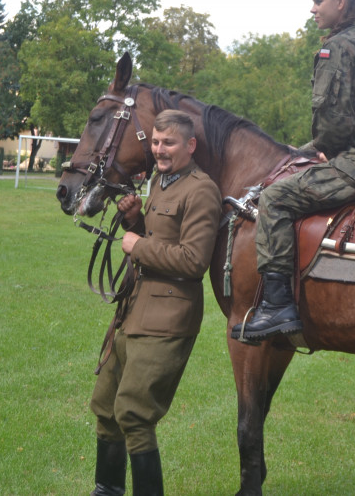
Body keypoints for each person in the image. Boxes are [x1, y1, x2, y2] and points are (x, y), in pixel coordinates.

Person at [232, 0, 355, 343]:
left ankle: (277, 306)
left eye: (318, 1)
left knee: (275, 198)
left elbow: (332, 126)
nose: (312, 9)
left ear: (340, 2)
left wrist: (322, 146)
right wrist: (311, 147)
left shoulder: (335, 48)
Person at [88, 110, 222, 496]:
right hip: (133, 308)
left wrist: (137, 244)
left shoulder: (201, 190)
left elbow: (194, 260)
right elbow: (159, 239)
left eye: (170, 143)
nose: (160, 151)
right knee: (106, 406)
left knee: (133, 412)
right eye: (157, 142)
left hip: (168, 316)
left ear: (190, 145)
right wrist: (134, 223)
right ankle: (107, 490)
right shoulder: (162, 181)